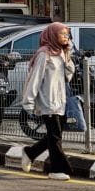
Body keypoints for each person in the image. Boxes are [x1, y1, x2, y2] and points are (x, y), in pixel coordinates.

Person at [20, 22, 75, 181]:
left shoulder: (61, 53)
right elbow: (34, 78)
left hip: (60, 101)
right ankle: (57, 169)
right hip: (47, 101)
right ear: (52, 35)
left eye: (66, 34)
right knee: (55, 137)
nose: (65, 37)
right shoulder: (44, 54)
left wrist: (68, 57)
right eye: (62, 34)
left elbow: (67, 76)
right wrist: (28, 101)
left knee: (54, 136)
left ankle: (30, 153)